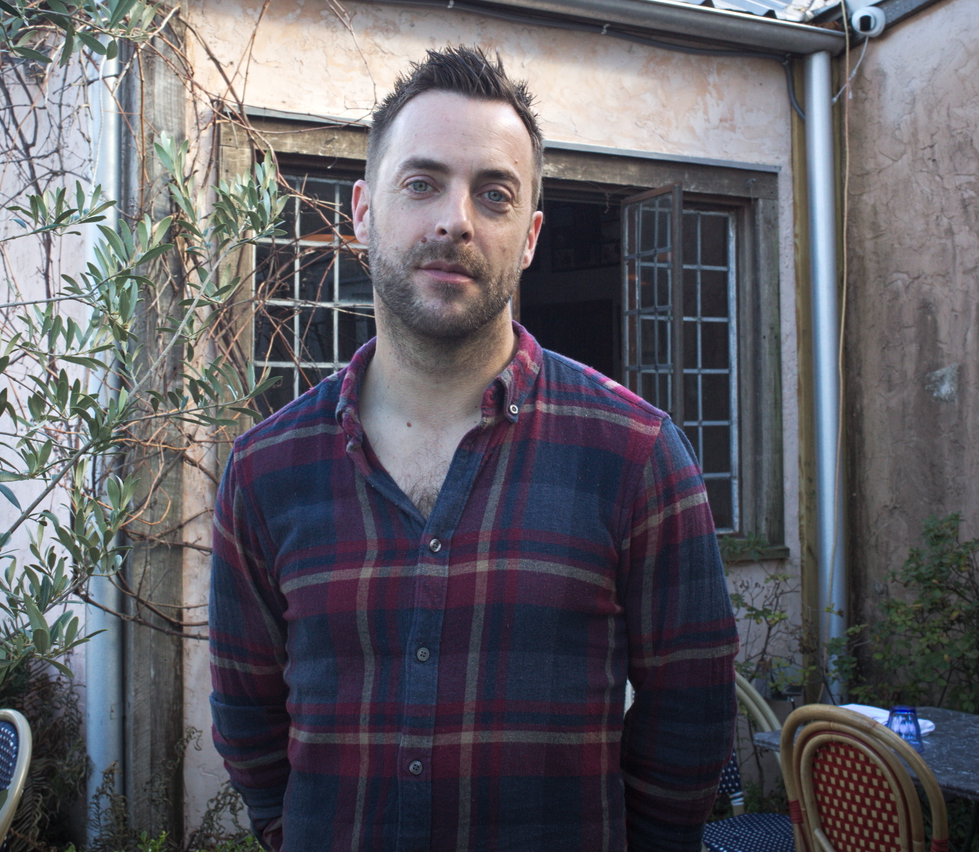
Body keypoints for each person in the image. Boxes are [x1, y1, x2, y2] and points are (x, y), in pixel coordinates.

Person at [209, 46, 737, 852]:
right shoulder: (265, 471)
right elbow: (247, 717)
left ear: (527, 237)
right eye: (421, 183)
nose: (455, 218)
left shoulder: (635, 456)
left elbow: (689, 722)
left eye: (492, 194)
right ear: (361, 211)